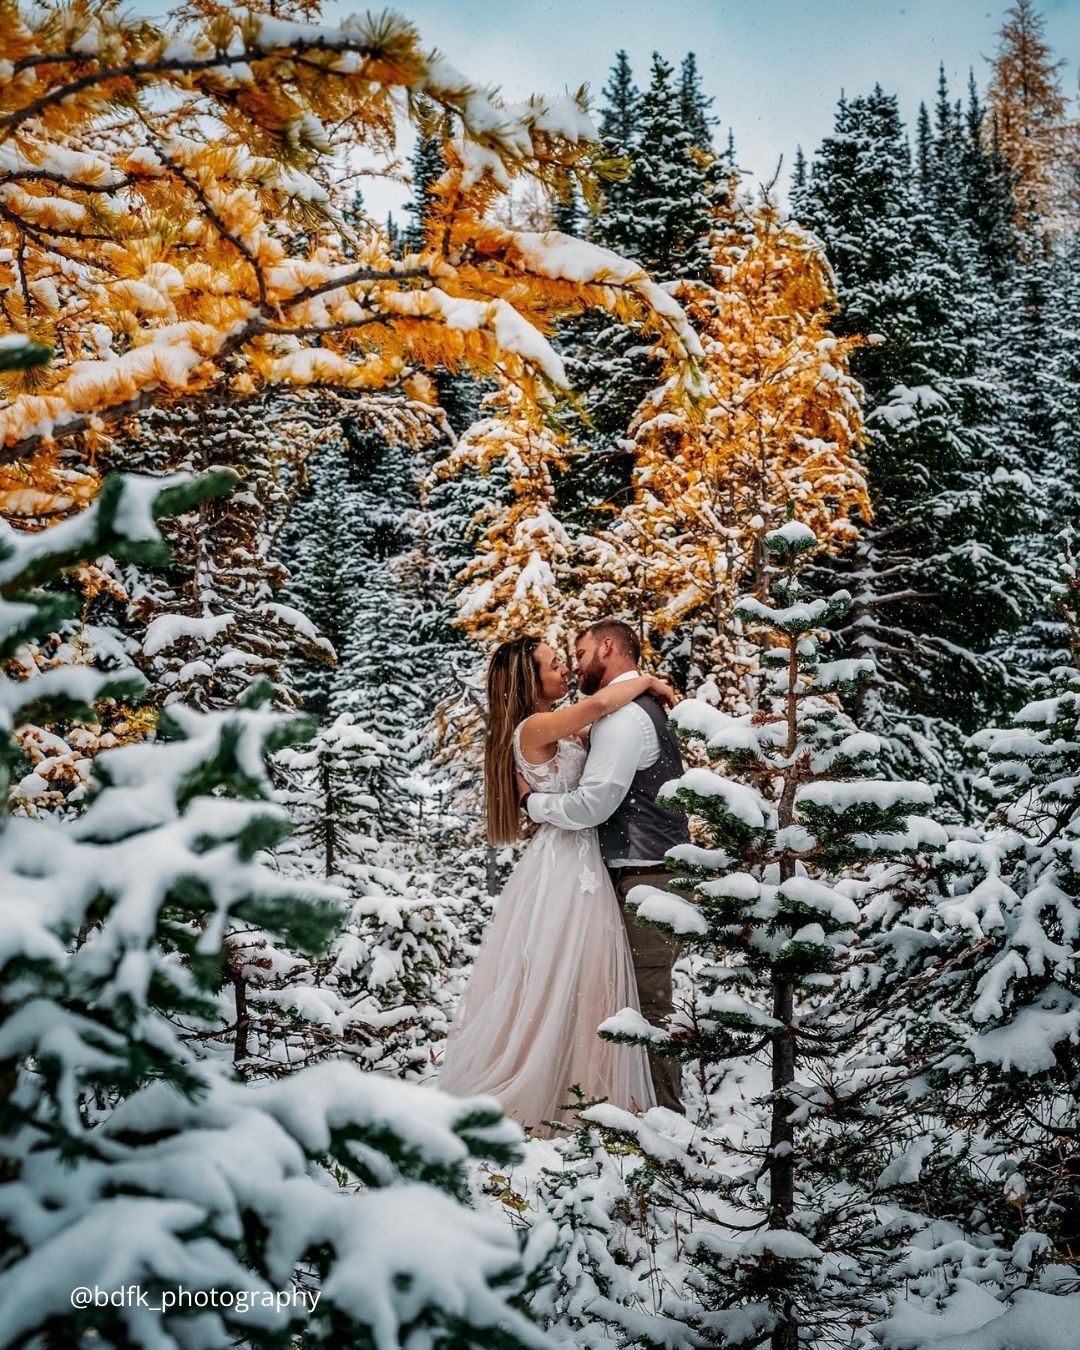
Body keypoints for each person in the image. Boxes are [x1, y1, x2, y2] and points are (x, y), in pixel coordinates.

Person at [438, 635, 677, 1135]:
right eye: (554, 664)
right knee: (569, 971)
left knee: (578, 974)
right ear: (531, 679)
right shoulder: (538, 724)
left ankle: (579, 1080)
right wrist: (647, 679)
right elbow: (602, 702)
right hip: (568, 860)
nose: (565, 668)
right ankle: (563, 1086)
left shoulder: (552, 724)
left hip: (580, 853)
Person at [521, 620, 691, 1113]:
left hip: (647, 874)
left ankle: (664, 1117)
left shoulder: (622, 717)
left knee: (645, 1002)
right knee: (628, 997)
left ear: (608, 648)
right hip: (628, 872)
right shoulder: (622, 709)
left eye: (579, 652)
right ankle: (625, 1105)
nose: (573, 666)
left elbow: (594, 805)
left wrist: (534, 807)